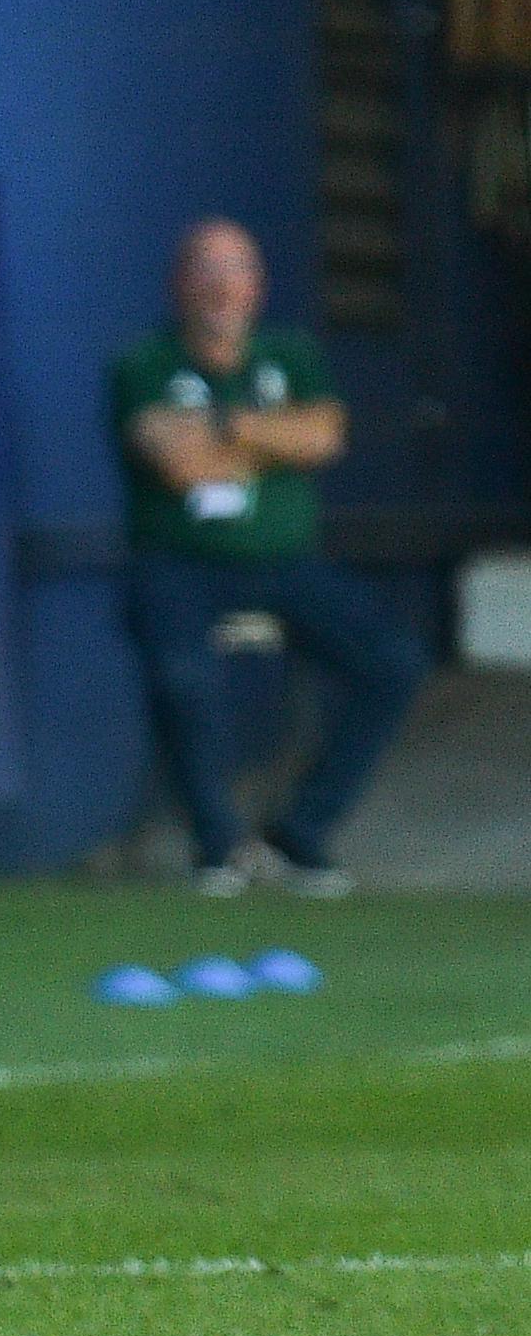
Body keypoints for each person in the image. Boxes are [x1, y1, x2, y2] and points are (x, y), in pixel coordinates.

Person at [115, 218, 424, 896]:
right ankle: (217, 846)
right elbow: (182, 466)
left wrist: (228, 426)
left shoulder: (291, 354)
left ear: (258, 286)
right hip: (181, 561)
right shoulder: (146, 362)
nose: (222, 285)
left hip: (286, 560)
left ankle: (301, 832)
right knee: (182, 677)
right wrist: (269, 439)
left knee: (394, 661)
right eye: (207, 269)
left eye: (237, 270)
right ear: (179, 284)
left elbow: (322, 438)